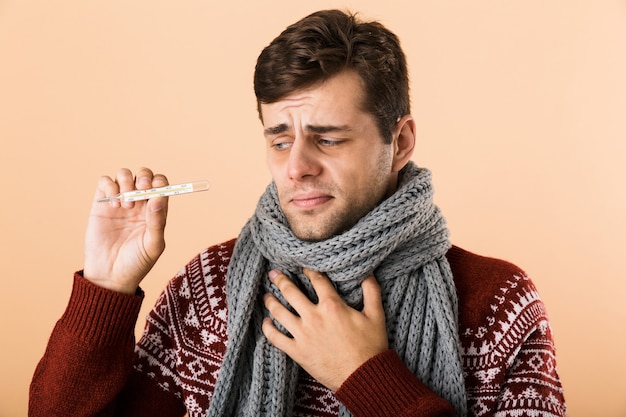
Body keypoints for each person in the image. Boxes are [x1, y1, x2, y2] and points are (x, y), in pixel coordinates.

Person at [29, 9, 567, 417]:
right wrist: (105, 288)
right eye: (279, 140)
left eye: (327, 139)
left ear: (400, 141)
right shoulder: (209, 288)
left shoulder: (496, 303)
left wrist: (366, 377)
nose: (297, 168)